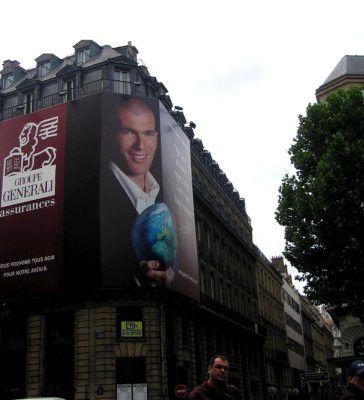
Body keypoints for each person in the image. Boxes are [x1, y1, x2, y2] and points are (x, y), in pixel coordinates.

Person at [100, 96, 175, 286]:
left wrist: (170, 275)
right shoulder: (97, 196)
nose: (141, 145)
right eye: (128, 131)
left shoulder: (167, 194)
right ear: (108, 133)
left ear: (157, 138)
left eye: (148, 133)